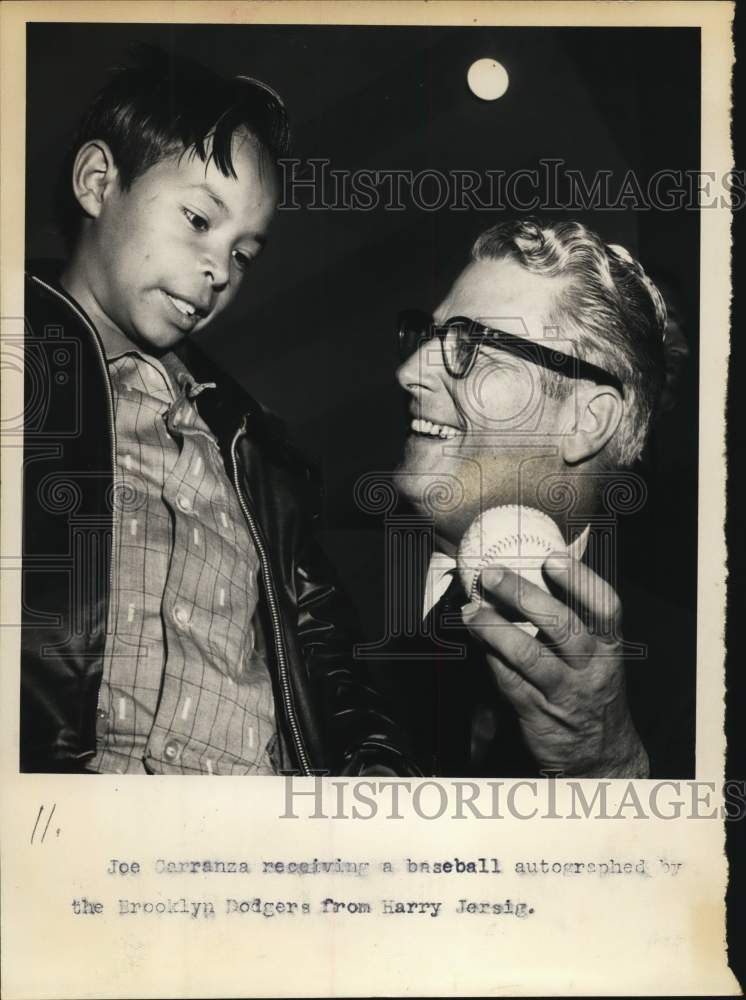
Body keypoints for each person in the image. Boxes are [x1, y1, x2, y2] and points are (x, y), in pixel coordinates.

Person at [21, 47, 415, 776]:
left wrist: (375, 782)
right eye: (199, 219)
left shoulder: (249, 444)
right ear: (98, 181)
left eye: (245, 253)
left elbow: (326, 651)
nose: (220, 270)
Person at [388, 218, 696, 778]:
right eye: (426, 337)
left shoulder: (698, 676)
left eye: (471, 346)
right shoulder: (291, 580)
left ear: (585, 420)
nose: (409, 372)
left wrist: (607, 767)